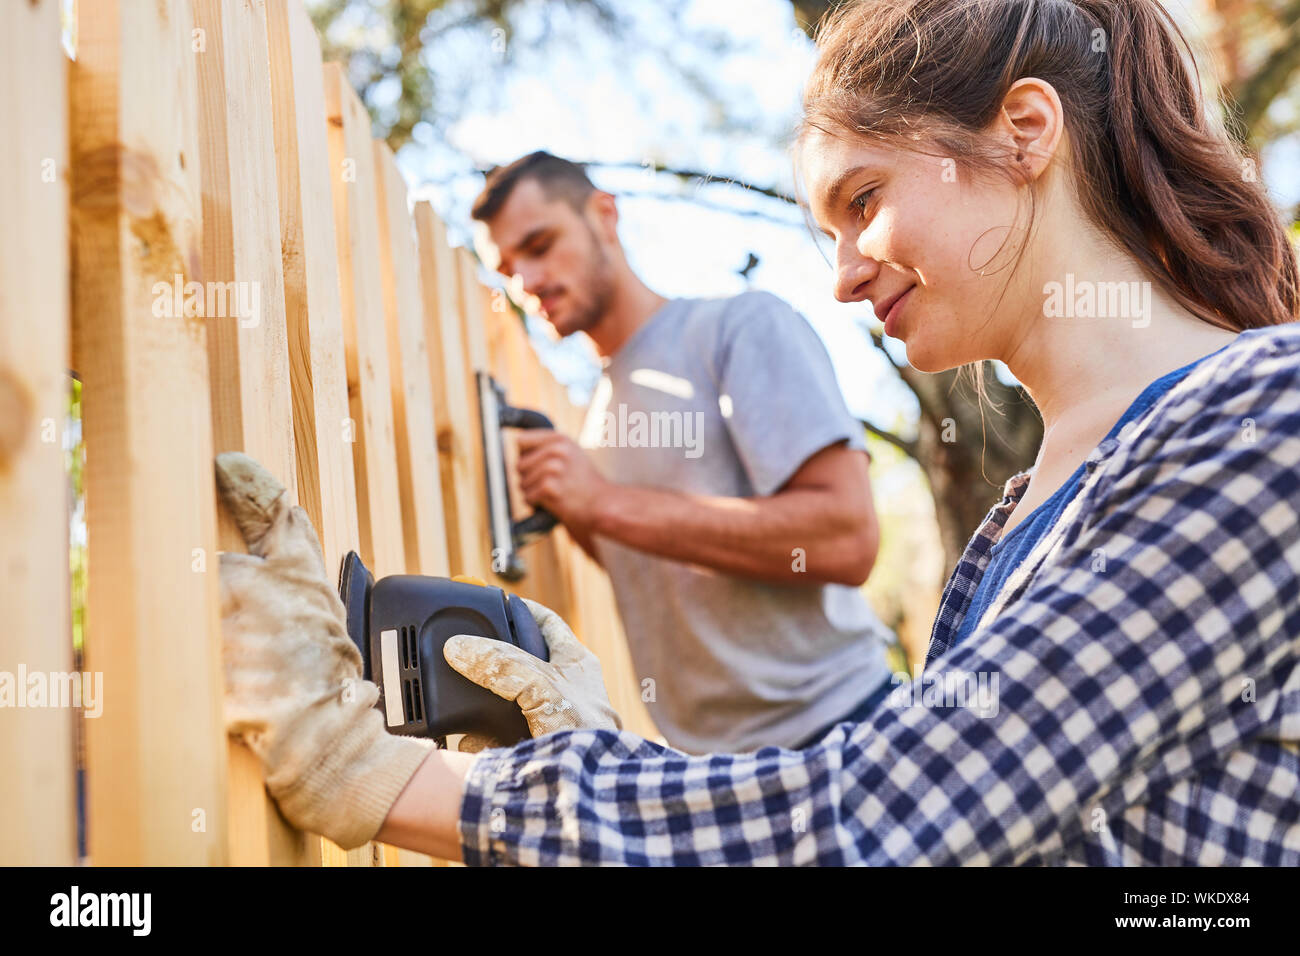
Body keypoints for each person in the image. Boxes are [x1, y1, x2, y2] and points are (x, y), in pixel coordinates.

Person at [218, 0, 1300, 864]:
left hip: (820, 755)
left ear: (1024, 131)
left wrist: (382, 777)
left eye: (864, 199)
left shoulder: (1265, 422)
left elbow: (888, 815)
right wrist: (612, 757)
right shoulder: (1032, 504)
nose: (839, 275)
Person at [464, 151, 897, 754]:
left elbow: (844, 538)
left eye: (539, 245)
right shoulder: (595, 422)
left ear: (603, 214)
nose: (527, 282)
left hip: (847, 735)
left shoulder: (739, 328)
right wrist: (588, 511)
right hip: (708, 774)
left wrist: (604, 503)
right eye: (507, 270)